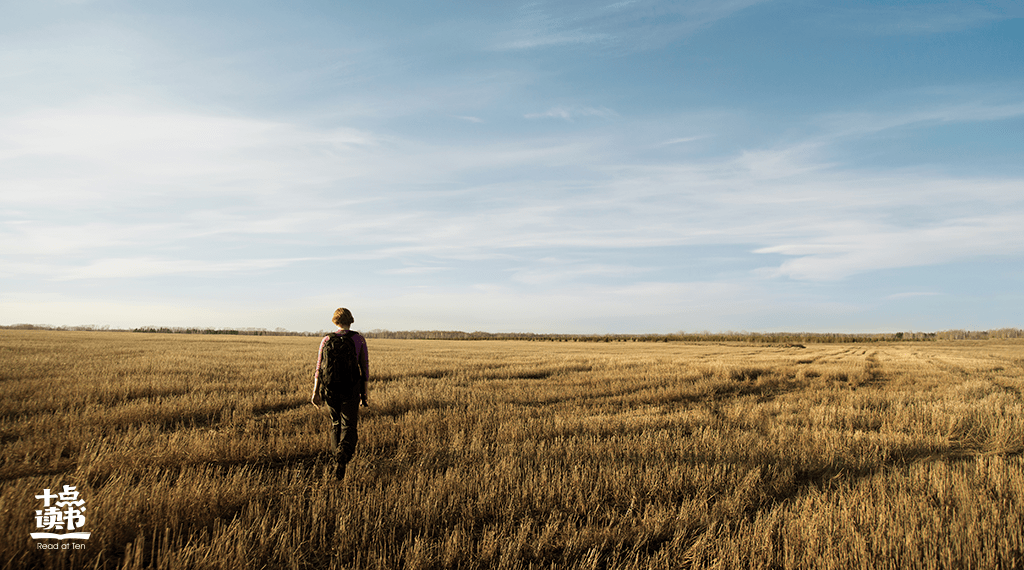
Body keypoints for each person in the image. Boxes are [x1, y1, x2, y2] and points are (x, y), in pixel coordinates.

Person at [311, 307, 369, 480]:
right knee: (349, 426)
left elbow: (319, 368)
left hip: (330, 389)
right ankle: (343, 455)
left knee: (336, 423)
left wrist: (315, 392)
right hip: (351, 389)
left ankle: (337, 458)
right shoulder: (358, 339)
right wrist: (364, 394)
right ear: (350, 321)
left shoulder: (326, 339)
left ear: (335, 321)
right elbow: (364, 367)